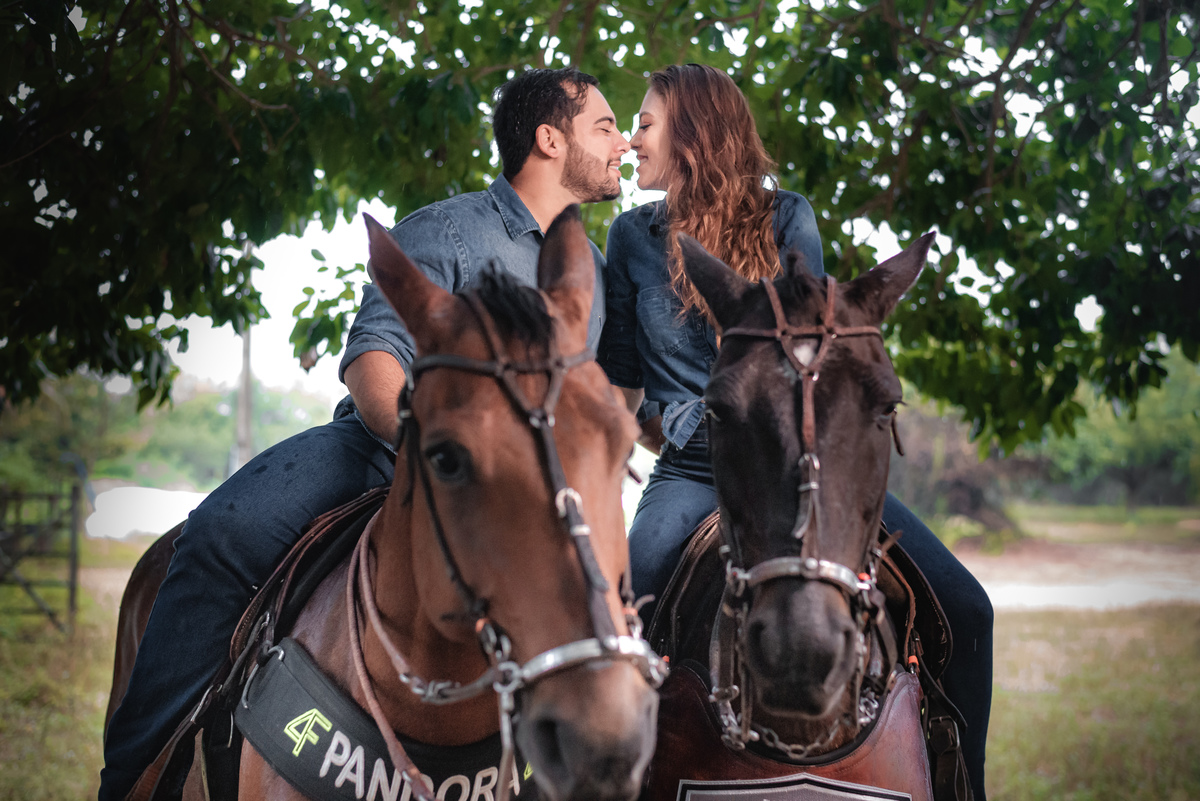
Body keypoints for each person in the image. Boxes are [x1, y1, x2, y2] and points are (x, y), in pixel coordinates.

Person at [99, 66, 630, 801]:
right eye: (604, 126)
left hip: (519, 496)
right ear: (549, 138)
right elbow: (375, 364)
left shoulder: (593, 276)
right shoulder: (444, 229)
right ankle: (135, 769)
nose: (623, 143)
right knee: (224, 529)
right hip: (380, 453)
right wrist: (439, 453)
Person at [596, 64, 993, 801]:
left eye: (644, 123)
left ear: (691, 135)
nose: (630, 141)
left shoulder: (787, 218)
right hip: (690, 472)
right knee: (623, 624)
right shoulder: (629, 237)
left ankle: (961, 781)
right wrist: (654, 432)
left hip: (801, 464)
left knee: (968, 608)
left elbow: (819, 347)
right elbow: (624, 384)